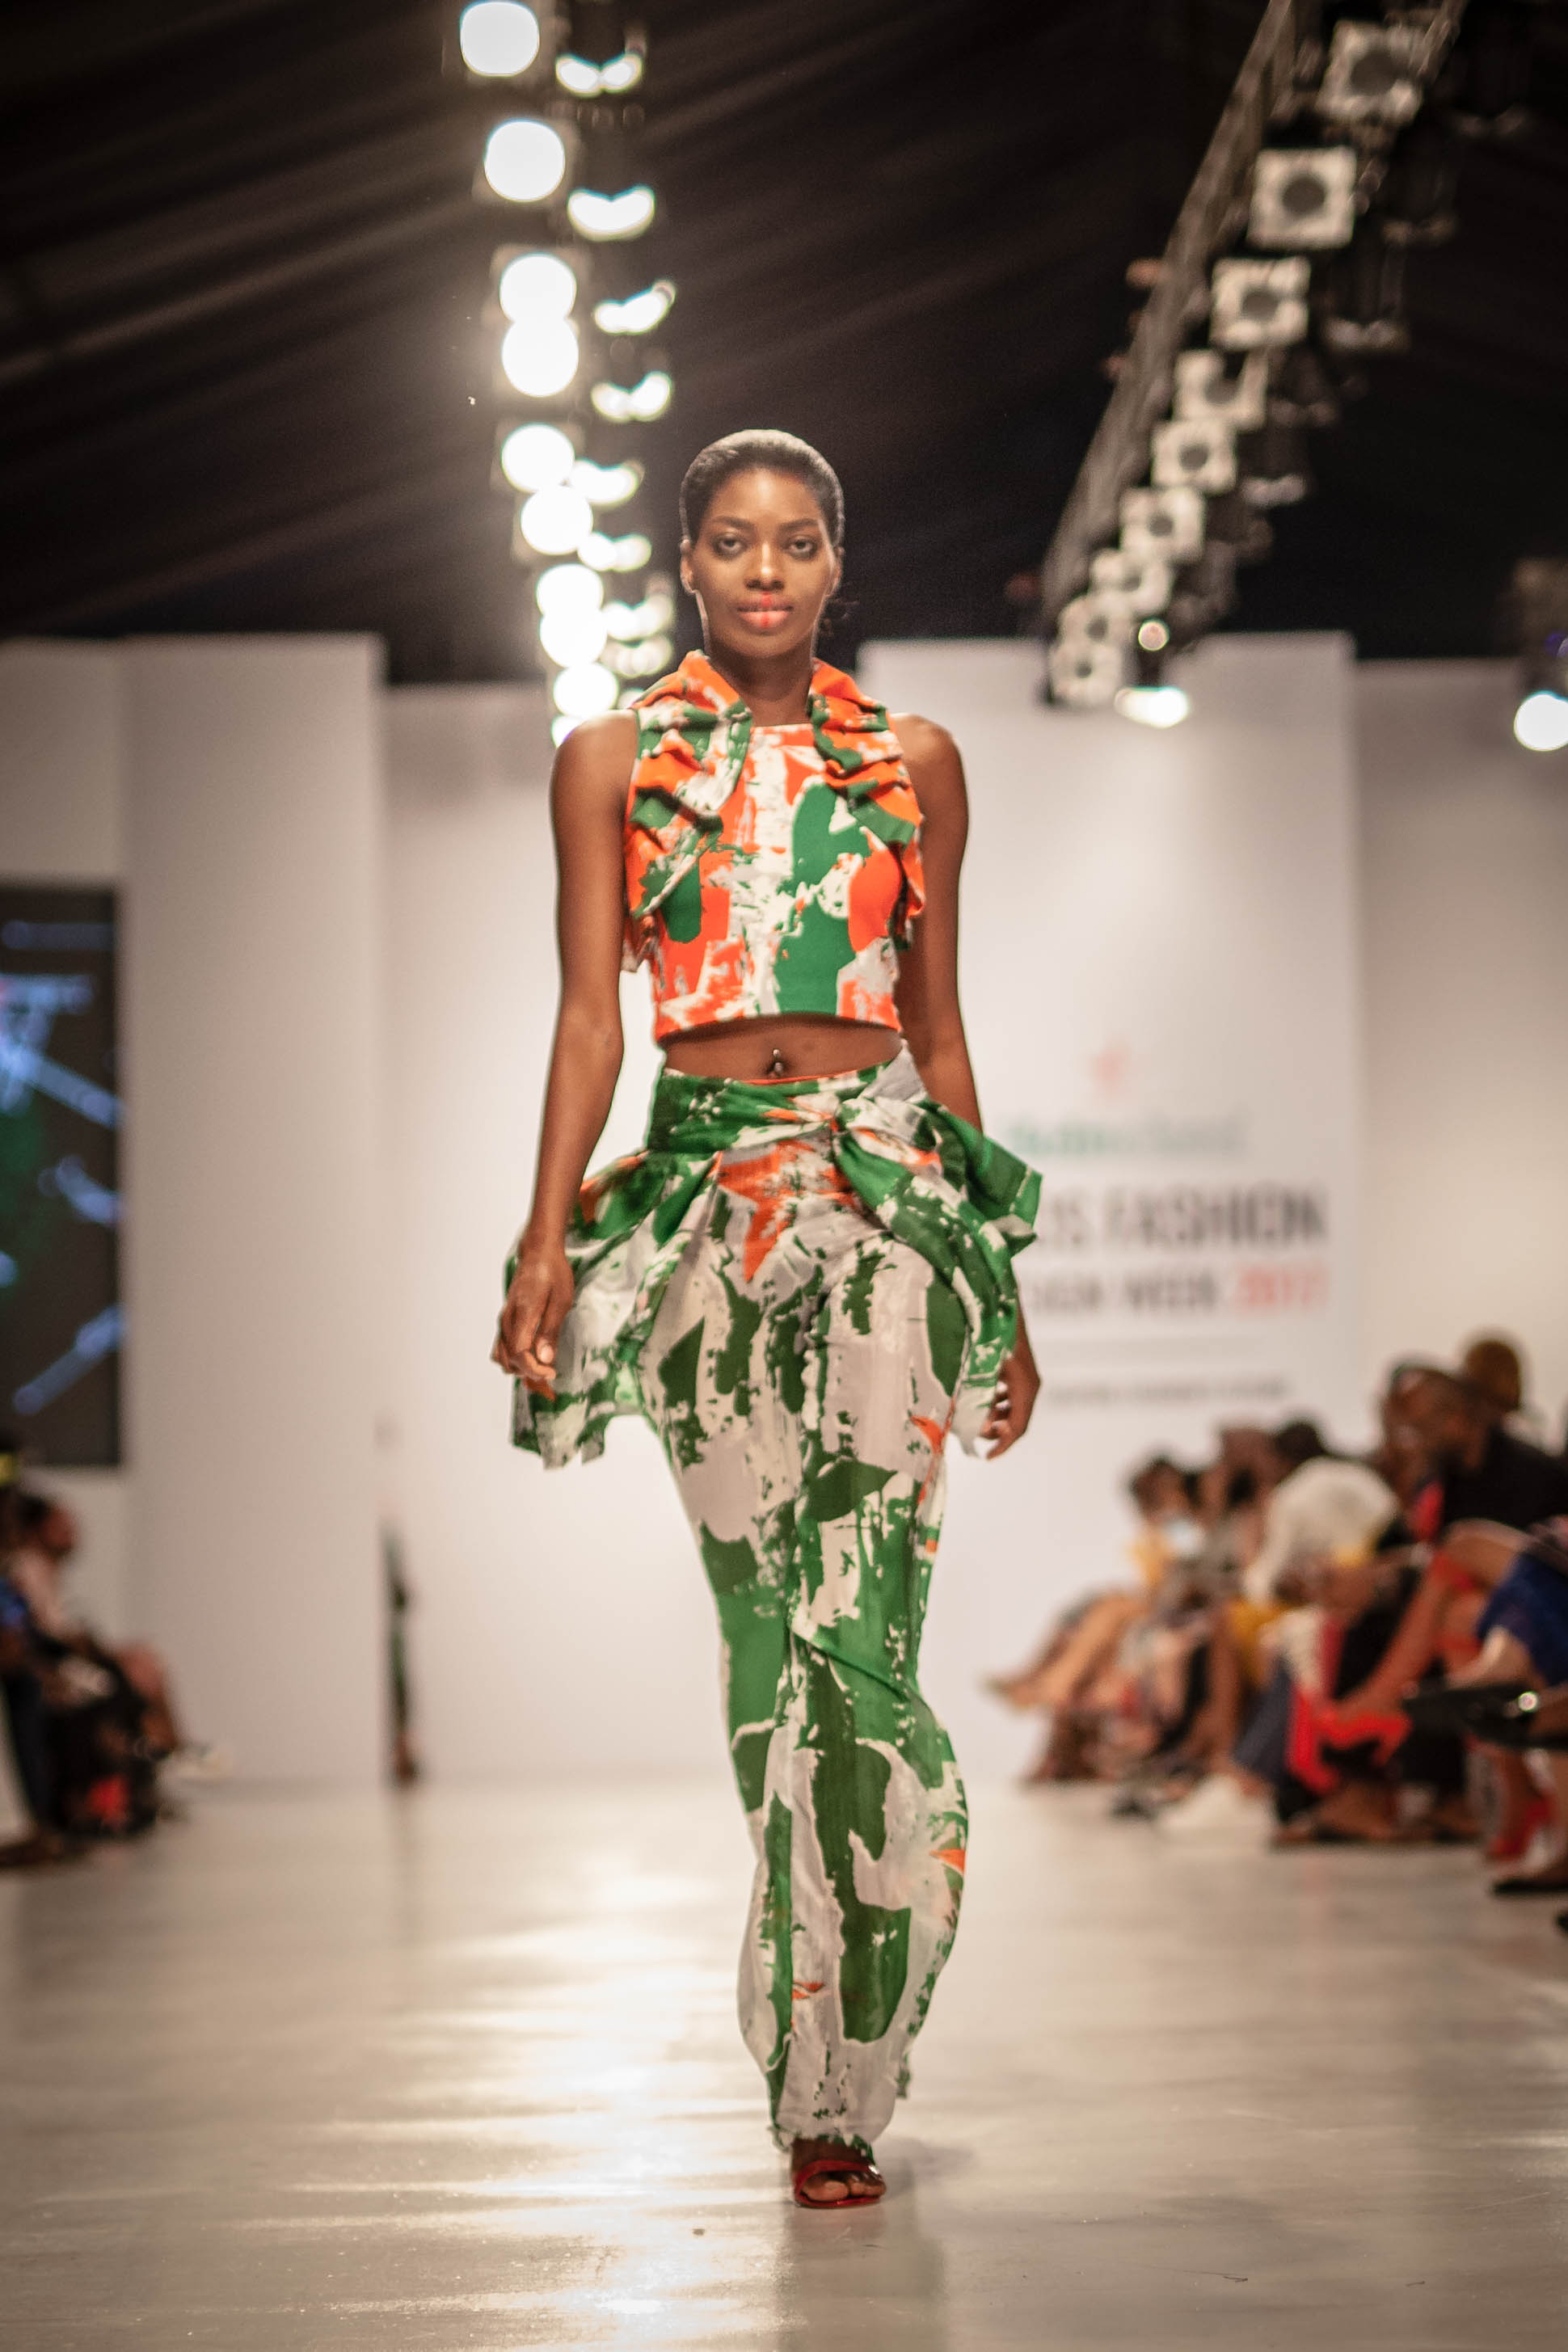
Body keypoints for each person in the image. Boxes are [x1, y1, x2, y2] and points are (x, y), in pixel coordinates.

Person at [491, 430, 1040, 2209]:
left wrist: (999, 1278)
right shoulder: (608, 759)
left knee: (858, 1621)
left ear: (835, 567)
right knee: (761, 1633)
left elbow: (940, 1028)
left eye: (797, 543)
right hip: (702, 1195)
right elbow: (591, 1017)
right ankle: (815, 2020)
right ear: (687, 563)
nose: (764, 572)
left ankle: (838, 2086)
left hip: (884, 1189)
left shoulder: (916, 762)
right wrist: (544, 1238)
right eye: (733, 542)